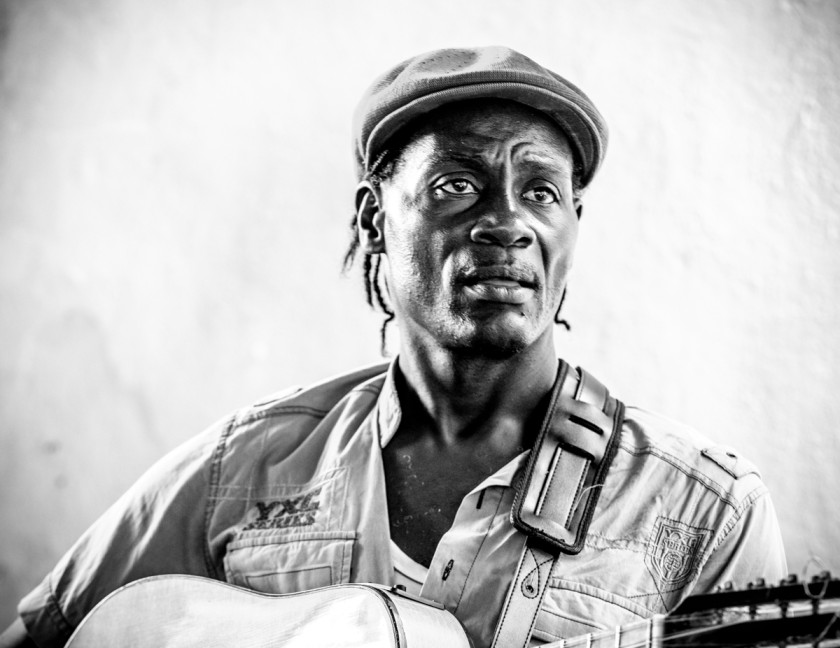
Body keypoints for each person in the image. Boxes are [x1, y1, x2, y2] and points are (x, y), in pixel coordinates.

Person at [0, 46, 786, 648]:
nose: (506, 221)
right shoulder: (244, 473)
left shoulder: (706, 515)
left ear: (574, 224)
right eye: (456, 185)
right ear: (376, 219)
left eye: (541, 192)